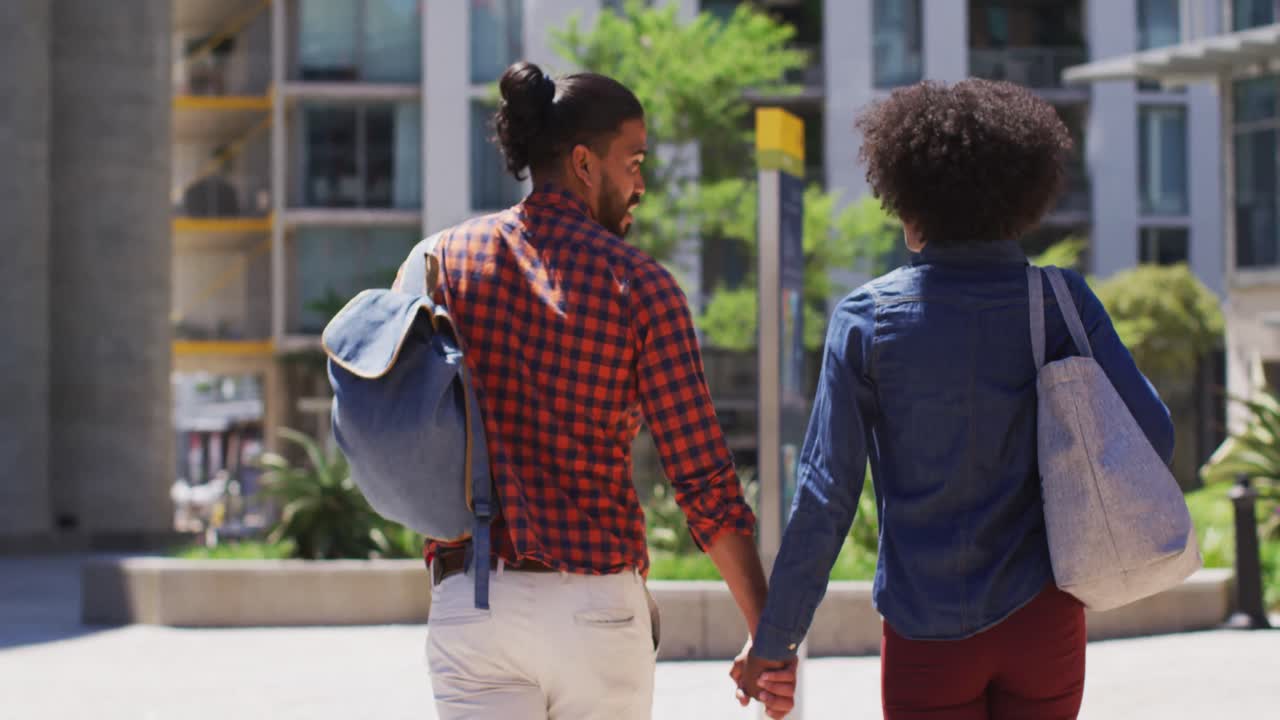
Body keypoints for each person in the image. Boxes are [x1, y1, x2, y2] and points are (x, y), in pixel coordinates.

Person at [736, 79, 1175, 719]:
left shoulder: (866, 320)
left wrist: (775, 642)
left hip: (926, 633)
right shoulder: (1061, 301)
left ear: (909, 204)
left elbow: (827, 495)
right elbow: (1153, 438)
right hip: (1044, 624)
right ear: (1022, 199)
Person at [403, 61, 786, 720]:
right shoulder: (640, 285)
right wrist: (769, 637)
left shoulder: (443, 261)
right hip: (595, 613)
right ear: (584, 163)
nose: (641, 184)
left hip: (473, 605)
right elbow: (704, 483)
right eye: (633, 162)